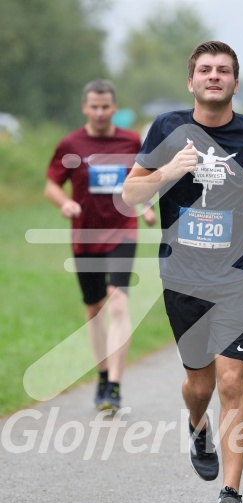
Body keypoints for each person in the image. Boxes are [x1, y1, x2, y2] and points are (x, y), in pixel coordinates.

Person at [122, 41, 243, 503]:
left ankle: (230, 495)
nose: (215, 76)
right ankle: (197, 426)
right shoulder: (169, 128)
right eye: (206, 70)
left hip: (236, 276)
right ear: (191, 81)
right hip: (182, 277)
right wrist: (169, 171)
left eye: (224, 70)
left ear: (235, 82)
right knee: (200, 385)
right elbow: (129, 197)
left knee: (233, 382)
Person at [45, 79, 156, 412]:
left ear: (114, 108)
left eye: (105, 106)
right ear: (85, 108)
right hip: (85, 237)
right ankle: (103, 376)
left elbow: (143, 180)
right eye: (93, 106)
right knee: (94, 311)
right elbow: (51, 184)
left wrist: (147, 205)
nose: (99, 112)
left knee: (118, 305)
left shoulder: (131, 141)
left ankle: (116, 386)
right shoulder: (70, 144)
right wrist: (63, 203)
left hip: (122, 232)